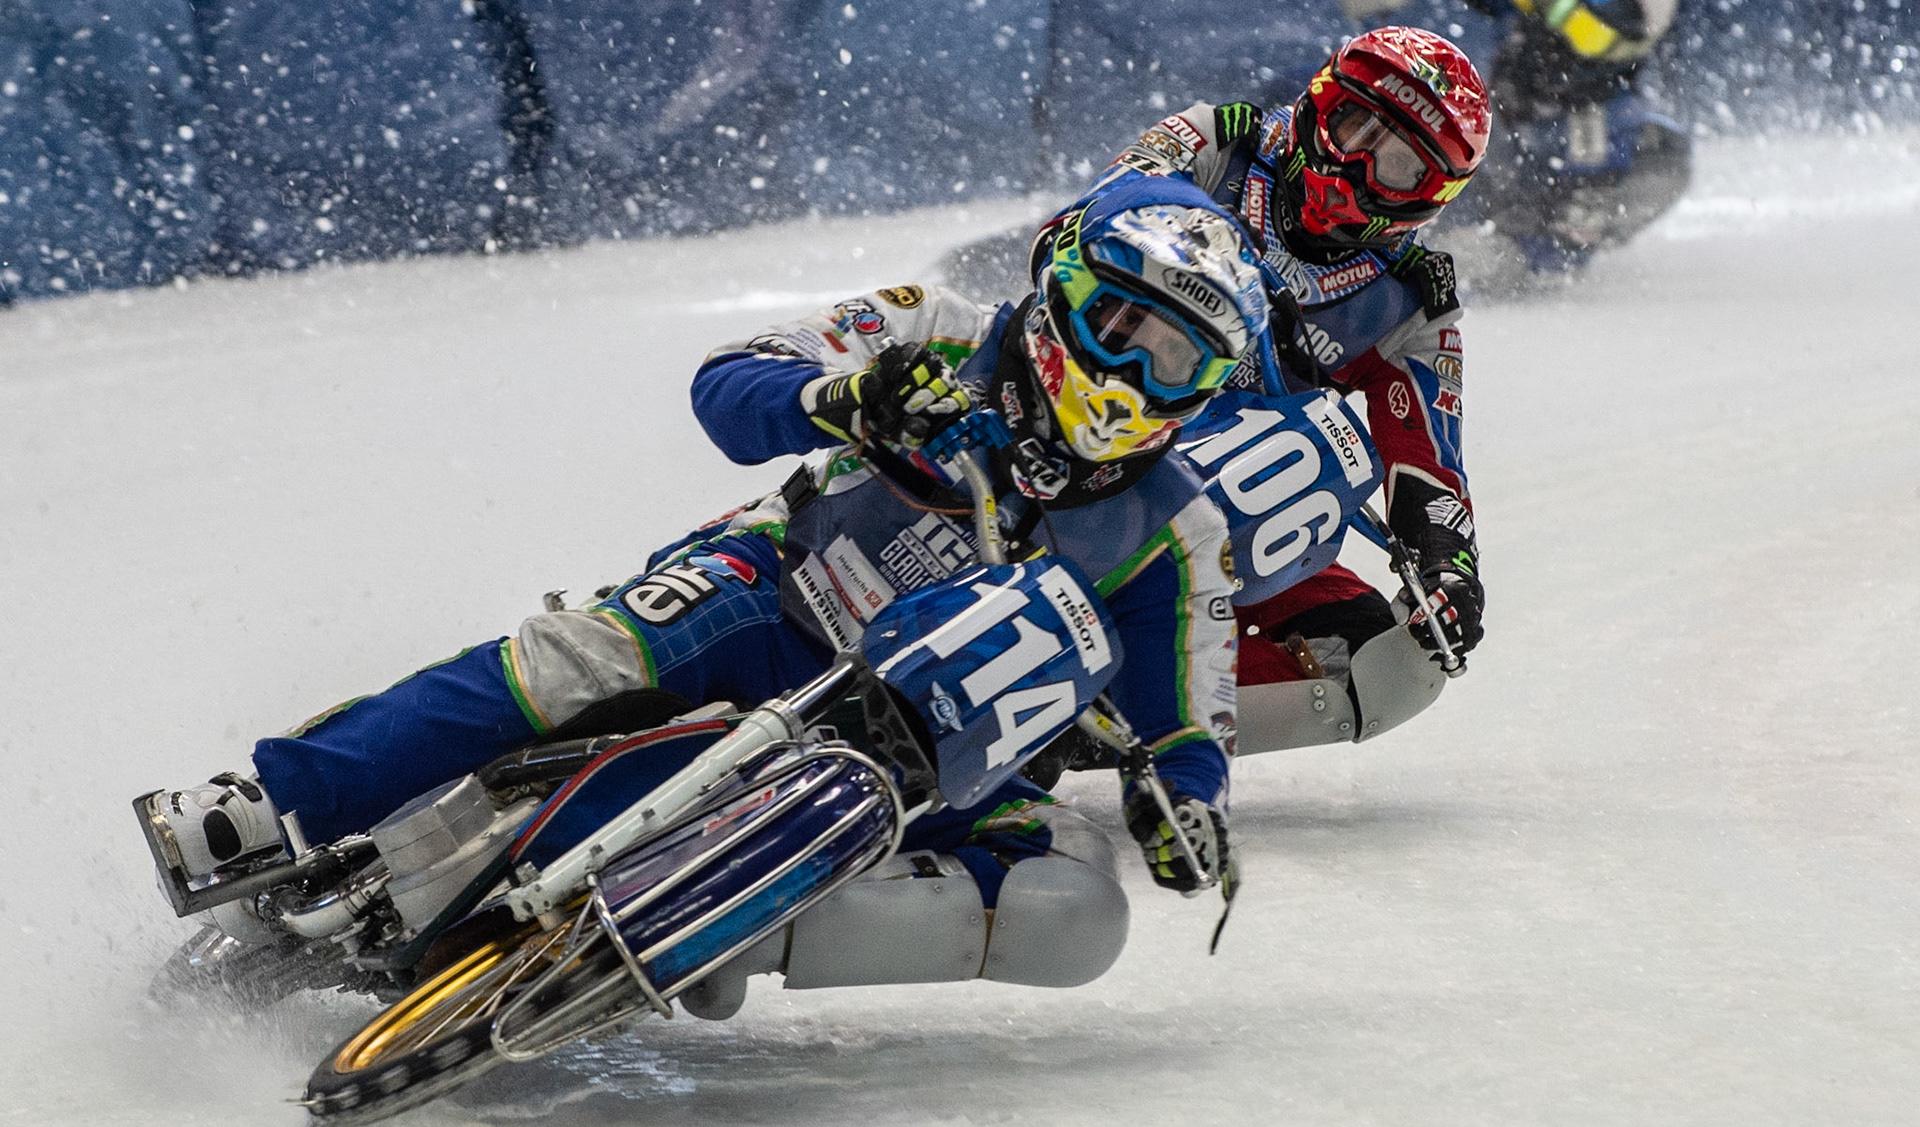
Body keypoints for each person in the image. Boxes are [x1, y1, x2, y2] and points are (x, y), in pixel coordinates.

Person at [140, 169, 1264, 1011]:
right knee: (586, 656)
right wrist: (848, 398)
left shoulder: (1181, 526)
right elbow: (726, 384)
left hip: (937, 744)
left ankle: (715, 934)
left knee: (1076, 904)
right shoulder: (934, 325)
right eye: (1116, 319)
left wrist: (1186, 802)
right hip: (775, 588)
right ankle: (268, 801)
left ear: (1209, 392)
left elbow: (1190, 706)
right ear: (1059, 284)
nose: (1126, 367)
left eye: (1173, 357)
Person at [1071, 26, 1490, 762]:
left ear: (1428, 199)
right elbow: (1086, 227)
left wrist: (1449, 571)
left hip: (1217, 505)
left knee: (1391, 663)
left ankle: (1105, 713)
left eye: (1393, 163)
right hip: (1077, 426)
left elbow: (1428, 467)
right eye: (1354, 124)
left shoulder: (1412, 303)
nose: (1357, 162)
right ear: (1318, 102)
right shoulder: (1217, 140)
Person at [1345, 0, 1688, 274]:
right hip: (1514, 111)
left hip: (1593, 115)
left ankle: (1538, 253)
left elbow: (1605, 35)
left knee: (1658, 155)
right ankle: (1429, 243)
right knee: (1453, 157)